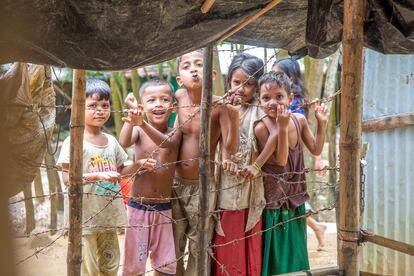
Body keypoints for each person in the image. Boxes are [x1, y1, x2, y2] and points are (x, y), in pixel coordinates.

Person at [172, 49, 239, 276]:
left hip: (204, 186)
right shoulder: (178, 97)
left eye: (199, 64)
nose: (193, 70)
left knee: (199, 243)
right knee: (174, 240)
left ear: (212, 73)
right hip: (175, 183)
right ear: (179, 78)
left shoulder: (219, 105)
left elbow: (230, 147)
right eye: (187, 66)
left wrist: (233, 116)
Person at [212, 53, 278, 276]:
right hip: (224, 191)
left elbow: (274, 137)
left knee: (249, 247)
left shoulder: (261, 111)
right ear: (228, 81)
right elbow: (221, 143)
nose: (241, 89)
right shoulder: (219, 107)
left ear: (257, 86)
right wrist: (225, 159)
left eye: (248, 84)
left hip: (251, 191)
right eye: (236, 82)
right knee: (227, 247)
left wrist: (257, 165)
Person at [255, 72, 327, 275]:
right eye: (266, 98)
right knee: (276, 252)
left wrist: (321, 124)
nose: (272, 102)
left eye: (279, 96)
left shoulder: (300, 120)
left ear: (290, 99)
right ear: (259, 101)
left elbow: (315, 148)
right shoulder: (262, 128)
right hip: (273, 199)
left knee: (296, 249)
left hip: (295, 195)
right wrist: (282, 129)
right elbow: (280, 161)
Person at [57, 79, 128, 276]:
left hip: (108, 216)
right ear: (77, 108)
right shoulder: (73, 141)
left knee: (111, 266)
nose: (100, 111)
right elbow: (67, 178)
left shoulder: (111, 141)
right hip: (84, 218)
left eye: (105, 106)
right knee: (89, 269)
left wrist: (140, 165)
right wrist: (98, 175)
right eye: (92, 106)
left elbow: (121, 171)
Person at [118, 80, 181, 276]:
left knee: (165, 264)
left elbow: (167, 144)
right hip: (138, 208)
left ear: (174, 106)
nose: (158, 104)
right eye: (151, 100)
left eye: (164, 99)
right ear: (143, 107)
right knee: (134, 265)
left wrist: (142, 122)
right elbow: (124, 141)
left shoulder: (175, 132)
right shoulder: (137, 129)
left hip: (164, 209)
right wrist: (132, 117)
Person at [272, 57, 327, 251]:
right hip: (278, 159)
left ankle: (315, 228)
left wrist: (318, 158)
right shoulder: (274, 103)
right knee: (290, 198)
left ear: (292, 80)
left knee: (292, 197)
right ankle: (316, 227)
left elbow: (307, 137)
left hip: (290, 159)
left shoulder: (295, 106)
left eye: (279, 75)